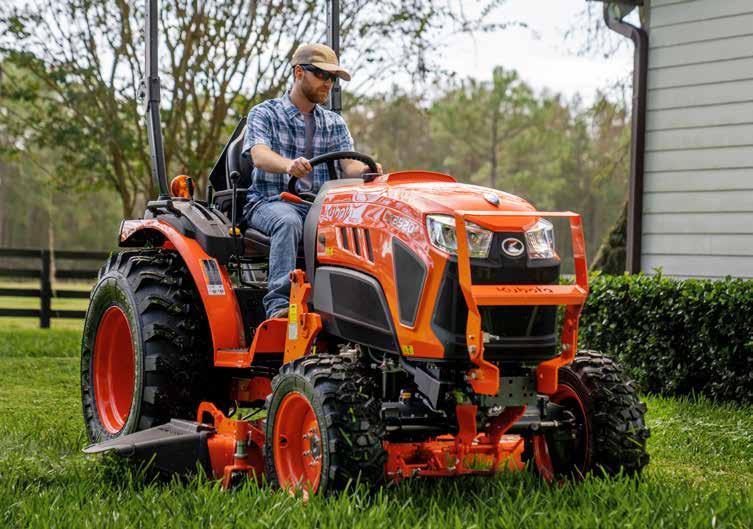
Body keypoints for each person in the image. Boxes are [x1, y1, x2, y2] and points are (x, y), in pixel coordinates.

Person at [242, 43, 381, 319]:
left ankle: (354, 308)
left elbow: (349, 165)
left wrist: (369, 168)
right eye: (321, 74)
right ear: (298, 72)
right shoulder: (265, 113)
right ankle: (279, 305)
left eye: (333, 78)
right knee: (288, 221)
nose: (328, 83)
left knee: (363, 224)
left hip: (316, 207)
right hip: (269, 202)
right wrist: (288, 165)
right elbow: (259, 155)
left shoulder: (334, 122)